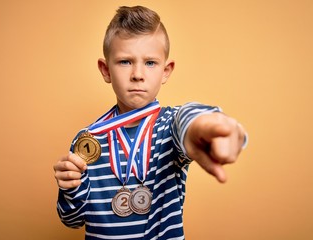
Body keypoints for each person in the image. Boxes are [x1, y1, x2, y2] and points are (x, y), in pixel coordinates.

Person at [53, 5, 247, 240]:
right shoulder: (88, 140)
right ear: (106, 70)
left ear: (166, 71)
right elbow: (72, 220)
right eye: (125, 61)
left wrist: (201, 124)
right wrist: (70, 188)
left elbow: (185, 118)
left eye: (150, 63)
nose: (138, 74)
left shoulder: (169, 127)